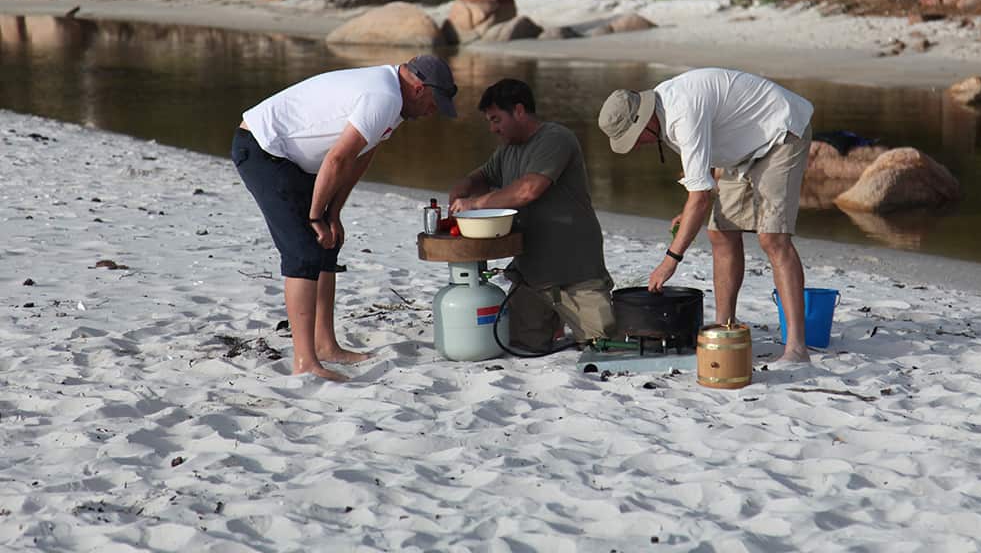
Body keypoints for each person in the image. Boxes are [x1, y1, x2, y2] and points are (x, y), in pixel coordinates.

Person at [232, 55, 458, 381]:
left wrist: (333, 213)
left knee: (328, 246)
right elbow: (338, 158)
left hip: (292, 161)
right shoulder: (385, 97)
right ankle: (305, 361)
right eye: (435, 103)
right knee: (303, 251)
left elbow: (359, 159)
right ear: (420, 88)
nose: (433, 112)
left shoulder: (394, 103)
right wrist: (314, 218)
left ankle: (325, 345)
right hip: (261, 149)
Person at [598, 67, 814, 363]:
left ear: (644, 119)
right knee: (719, 233)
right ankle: (725, 327)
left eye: (634, 138)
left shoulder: (680, 114)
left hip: (780, 132)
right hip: (741, 149)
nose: (636, 146)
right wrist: (687, 211)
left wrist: (669, 261)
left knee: (772, 239)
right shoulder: (664, 113)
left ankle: (797, 348)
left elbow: (699, 198)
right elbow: (704, 167)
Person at [449, 78, 614, 352]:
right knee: (523, 345)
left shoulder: (556, 138)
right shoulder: (507, 150)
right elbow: (481, 176)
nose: (493, 129)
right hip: (531, 276)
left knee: (603, 344)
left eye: (496, 119)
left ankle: (567, 320)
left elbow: (529, 190)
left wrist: (476, 204)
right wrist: (461, 190)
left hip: (576, 271)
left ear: (519, 110)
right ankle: (552, 322)